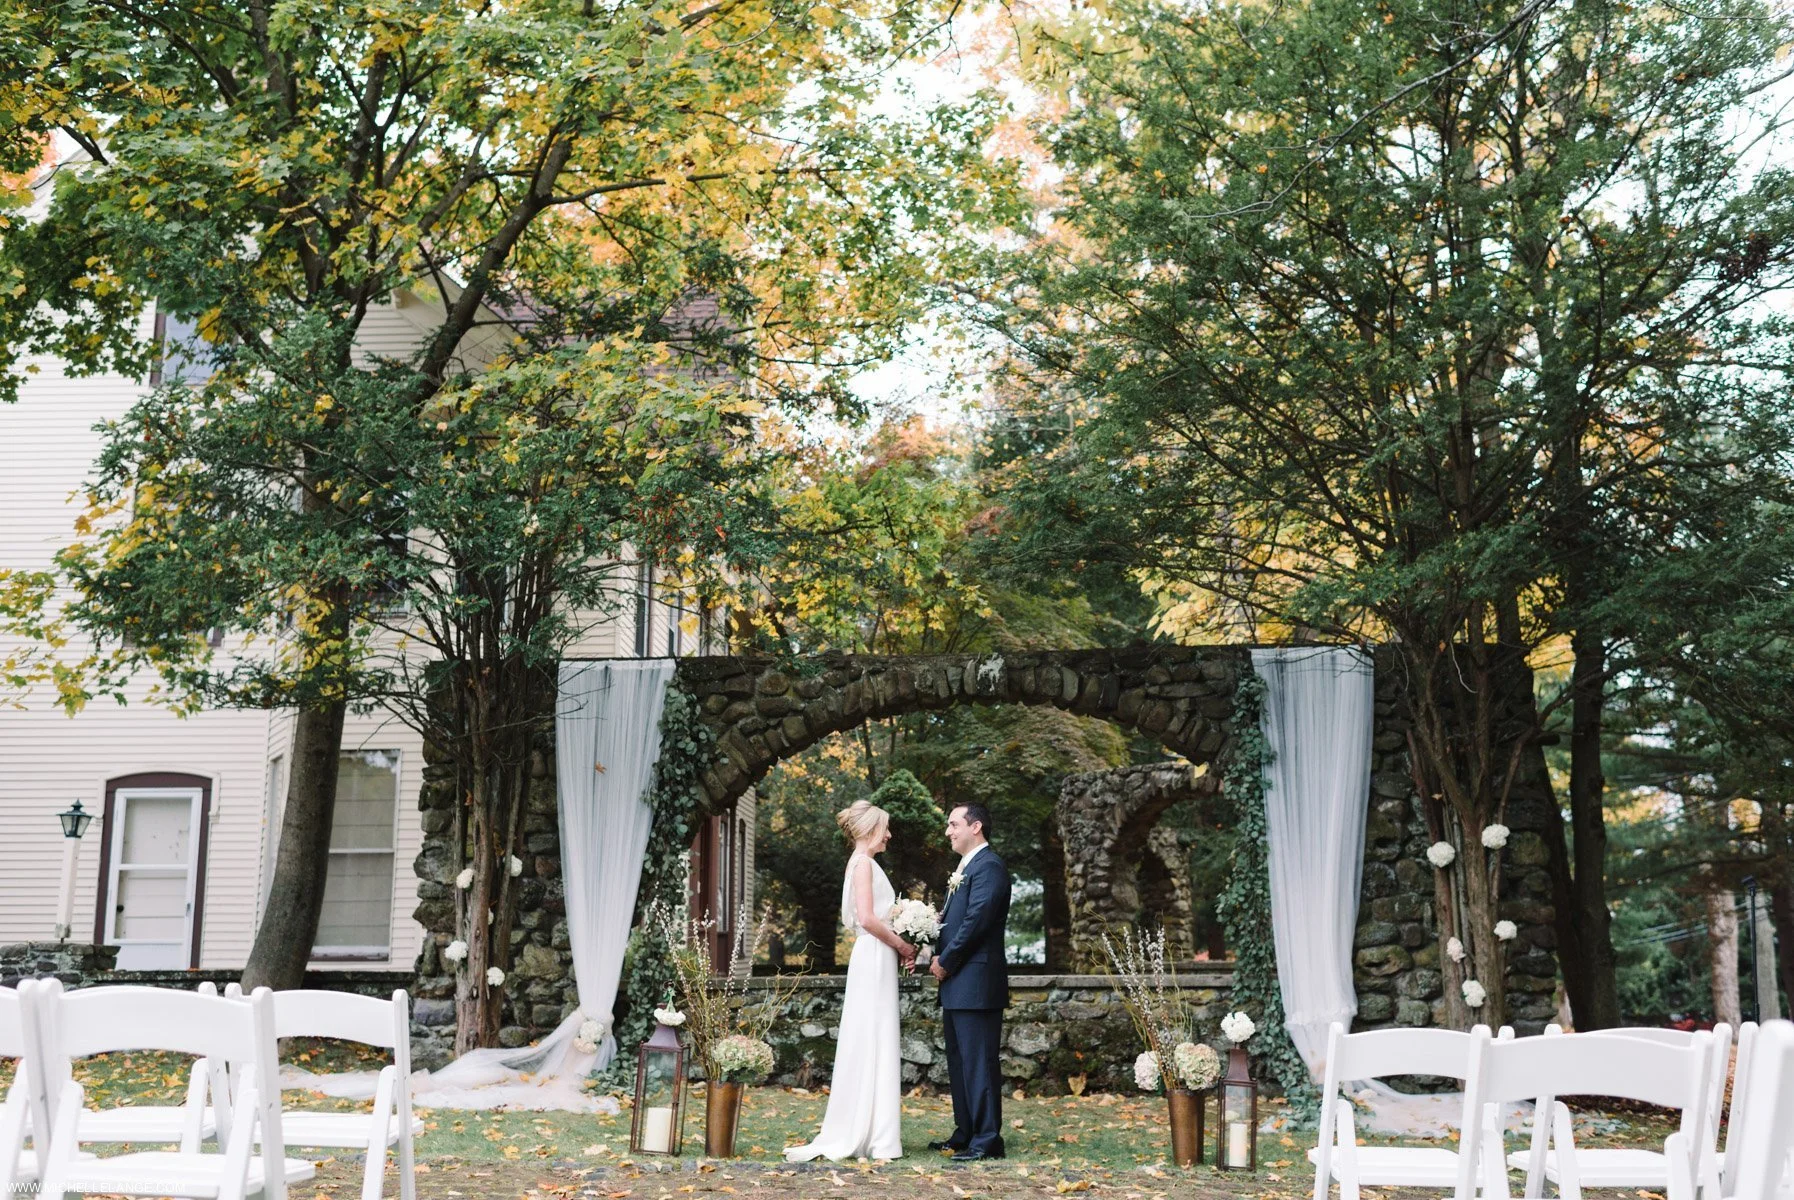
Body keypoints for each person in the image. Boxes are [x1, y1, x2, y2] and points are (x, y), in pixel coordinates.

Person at [784, 800, 914, 1162]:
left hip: (875, 954)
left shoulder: (861, 864)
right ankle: (873, 1134)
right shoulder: (863, 865)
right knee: (872, 1033)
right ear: (871, 830)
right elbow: (870, 920)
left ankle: (878, 1131)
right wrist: (903, 944)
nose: (888, 835)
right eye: (885, 828)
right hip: (874, 953)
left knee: (875, 1033)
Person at [926, 803, 1012, 1162]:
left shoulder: (989, 866)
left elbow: (976, 921)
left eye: (953, 824)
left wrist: (945, 961)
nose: (948, 831)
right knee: (961, 1063)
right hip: (960, 983)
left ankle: (988, 1140)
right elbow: (954, 921)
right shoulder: (967, 868)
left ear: (976, 827)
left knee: (979, 1063)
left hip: (976, 980)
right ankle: (967, 1131)